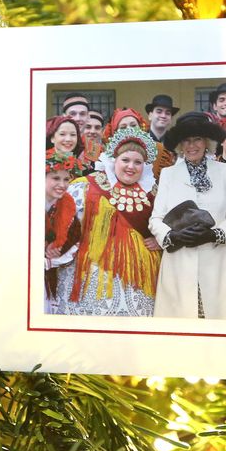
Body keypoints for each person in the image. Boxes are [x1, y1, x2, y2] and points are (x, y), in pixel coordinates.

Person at [150, 113, 226, 319]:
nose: (191, 146)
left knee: (221, 329)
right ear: (179, 144)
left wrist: (215, 234)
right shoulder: (168, 174)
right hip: (179, 262)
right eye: (186, 140)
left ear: (207, 142)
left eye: (197, 139)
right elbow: (155, 219)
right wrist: (172, 237)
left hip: (218, 261)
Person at [61, 127, 162, 316]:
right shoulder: (87, 186)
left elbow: (169, 227)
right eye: (125, 160)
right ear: (114, 160)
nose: (131, 166)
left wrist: (161, 240)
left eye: (137, 162)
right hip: (96, 276)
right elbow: (64, 226)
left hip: (139, 279)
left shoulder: (155, 193)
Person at [42, 150, 81, 314]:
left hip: (51, 273)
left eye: (66, 179)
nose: (62, 184)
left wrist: (54, 258)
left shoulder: (68, 208)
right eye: (56, 178)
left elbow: (75, 241)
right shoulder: (27, 204)